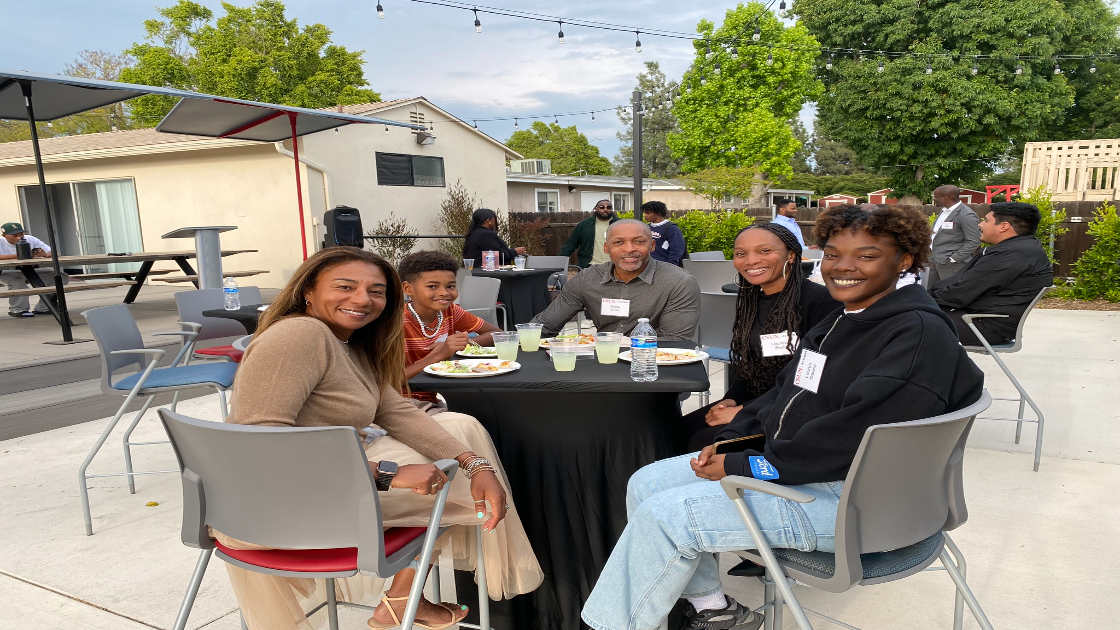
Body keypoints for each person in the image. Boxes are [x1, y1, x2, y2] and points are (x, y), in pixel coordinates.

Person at [580, 204, 984, 630]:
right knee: (647, 482)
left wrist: (744, 463)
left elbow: (852, 438)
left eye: (866, 256)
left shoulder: (915, 335)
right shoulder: (844, 321)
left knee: (666, 516)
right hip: (816, 473)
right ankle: (713, 609)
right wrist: (735, 438)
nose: (843, 268)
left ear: (904, 260)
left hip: (862, 504)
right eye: (832, 254)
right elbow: (785, 392)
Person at [220, 247, 542, 630]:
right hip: (281, 505)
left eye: (376, 291)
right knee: (455, 488)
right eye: (345, 286)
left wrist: (474, 463)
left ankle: (407, 592)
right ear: (308, 290)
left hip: (321, 483)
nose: (362, 299)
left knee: (460, 433)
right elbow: (260, 441)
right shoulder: (297, 335)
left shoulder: (349, 342)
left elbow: (395, 410)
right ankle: (410, 594)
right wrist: (385, 474)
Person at [680, 223, 840, 452]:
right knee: (678, 430)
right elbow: (749, 366)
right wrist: (732, 399)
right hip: (756, 401)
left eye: (765, 251)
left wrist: (744, 412)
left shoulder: (821, 303)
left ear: (792, 255)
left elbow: (813, 383)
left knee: (703, 442)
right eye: (740, 254)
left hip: (794, 410)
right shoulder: (751, 300)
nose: (751, 260)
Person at [531, 219, 701, 341]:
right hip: (601, 364)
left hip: (651, 368)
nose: (629, 249)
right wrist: (511, 338)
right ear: (606, 248)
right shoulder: (587, 279)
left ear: (652, 246)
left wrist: (621, 344)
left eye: (639, 241)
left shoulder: (679, 282)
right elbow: (544, 326)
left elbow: (676, 342)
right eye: (619, 242)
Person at [929, 201, 1053, 346]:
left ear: (1004, 226)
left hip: (984, 326)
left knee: (908, 321)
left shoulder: (1012, 255)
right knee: (910, 316)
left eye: (986, 220)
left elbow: (961, 293)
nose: (980, 225)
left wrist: (920, 299)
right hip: (981, 319)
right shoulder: (1022, 249)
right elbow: (959, 285)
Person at [400, 250, 503, 401]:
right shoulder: (396, 324)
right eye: (432, 286)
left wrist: (464, 343)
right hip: (406, 400)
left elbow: (498, 334)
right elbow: (390, 381)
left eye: (450, 286)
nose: (444, 293)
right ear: (408, 289)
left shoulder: (450, 311)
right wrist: (440, 354)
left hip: (443, 392)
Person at [0, 222, 67, 317]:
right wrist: (24, 254)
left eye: (21, 234)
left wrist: (45, 255)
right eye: (15, 235)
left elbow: (55, 253)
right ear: (4, 235)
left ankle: (44, 307)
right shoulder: (1, 242)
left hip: (31, 270)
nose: (19, 237)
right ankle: (18, 309)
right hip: (7, 271)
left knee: (61, 277)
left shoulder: (30, 239)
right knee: (17, 282)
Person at [927, 185, 982, 285]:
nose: (934, 200)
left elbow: (975, 240)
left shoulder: (966, 214)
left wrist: (954, 258)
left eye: (935, 197)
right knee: (930, 291)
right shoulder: (944, 212)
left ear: (945, 198)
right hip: (934, 260)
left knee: (949, 293)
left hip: (952, 264)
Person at [560, 199, 618, 268]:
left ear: (612, 209)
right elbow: (571, 244)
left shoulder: (620, 224)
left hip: (615, 265)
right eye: (602, 207)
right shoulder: (584, 225)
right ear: (595, 209)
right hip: (590, 265)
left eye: (608, 207)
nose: (605, 209)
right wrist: (560, 261)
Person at [643, 200, 686, 267]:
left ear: (658, 213)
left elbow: (677, 250)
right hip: (649, 266)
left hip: (664, 266)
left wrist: (671, 267)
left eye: (648, 213)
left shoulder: (671, 228)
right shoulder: (646, 227)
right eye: (645, 213)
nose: (645, 216)